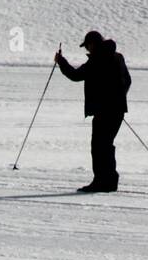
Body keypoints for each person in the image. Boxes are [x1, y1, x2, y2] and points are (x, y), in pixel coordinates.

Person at [55, 31, 132, 192]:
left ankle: (100, 182)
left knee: (98, 147)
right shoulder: (118, 57)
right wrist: (118, 100)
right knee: (106, 145)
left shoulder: (96, 61)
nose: (88, 50)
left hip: (104, 112)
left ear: (93, 44)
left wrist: (61, 62)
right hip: (117, 111)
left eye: (88, 46)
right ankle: (110, 182)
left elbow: (75, 75)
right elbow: (127, 81)